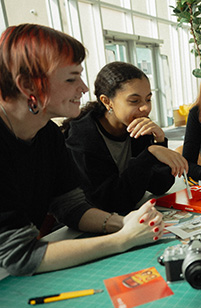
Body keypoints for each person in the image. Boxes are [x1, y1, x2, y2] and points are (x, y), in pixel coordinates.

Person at [0, 24, 163, 277]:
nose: (84, 88)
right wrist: (122, 240)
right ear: (28, 86)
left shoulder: (48, 134)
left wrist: (126, 223)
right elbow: (19, 255)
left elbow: (71, 206)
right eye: (71, 78)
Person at [63, 62, 187, 214]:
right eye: (134, 101)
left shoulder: (138, 127)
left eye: (148, 99)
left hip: (131, 216)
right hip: (92, 223)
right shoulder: (83, 137)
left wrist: (159, 142)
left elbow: (160, 186)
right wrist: (149, 154)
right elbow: (112, 203)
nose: (145, 108)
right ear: (107, 101)